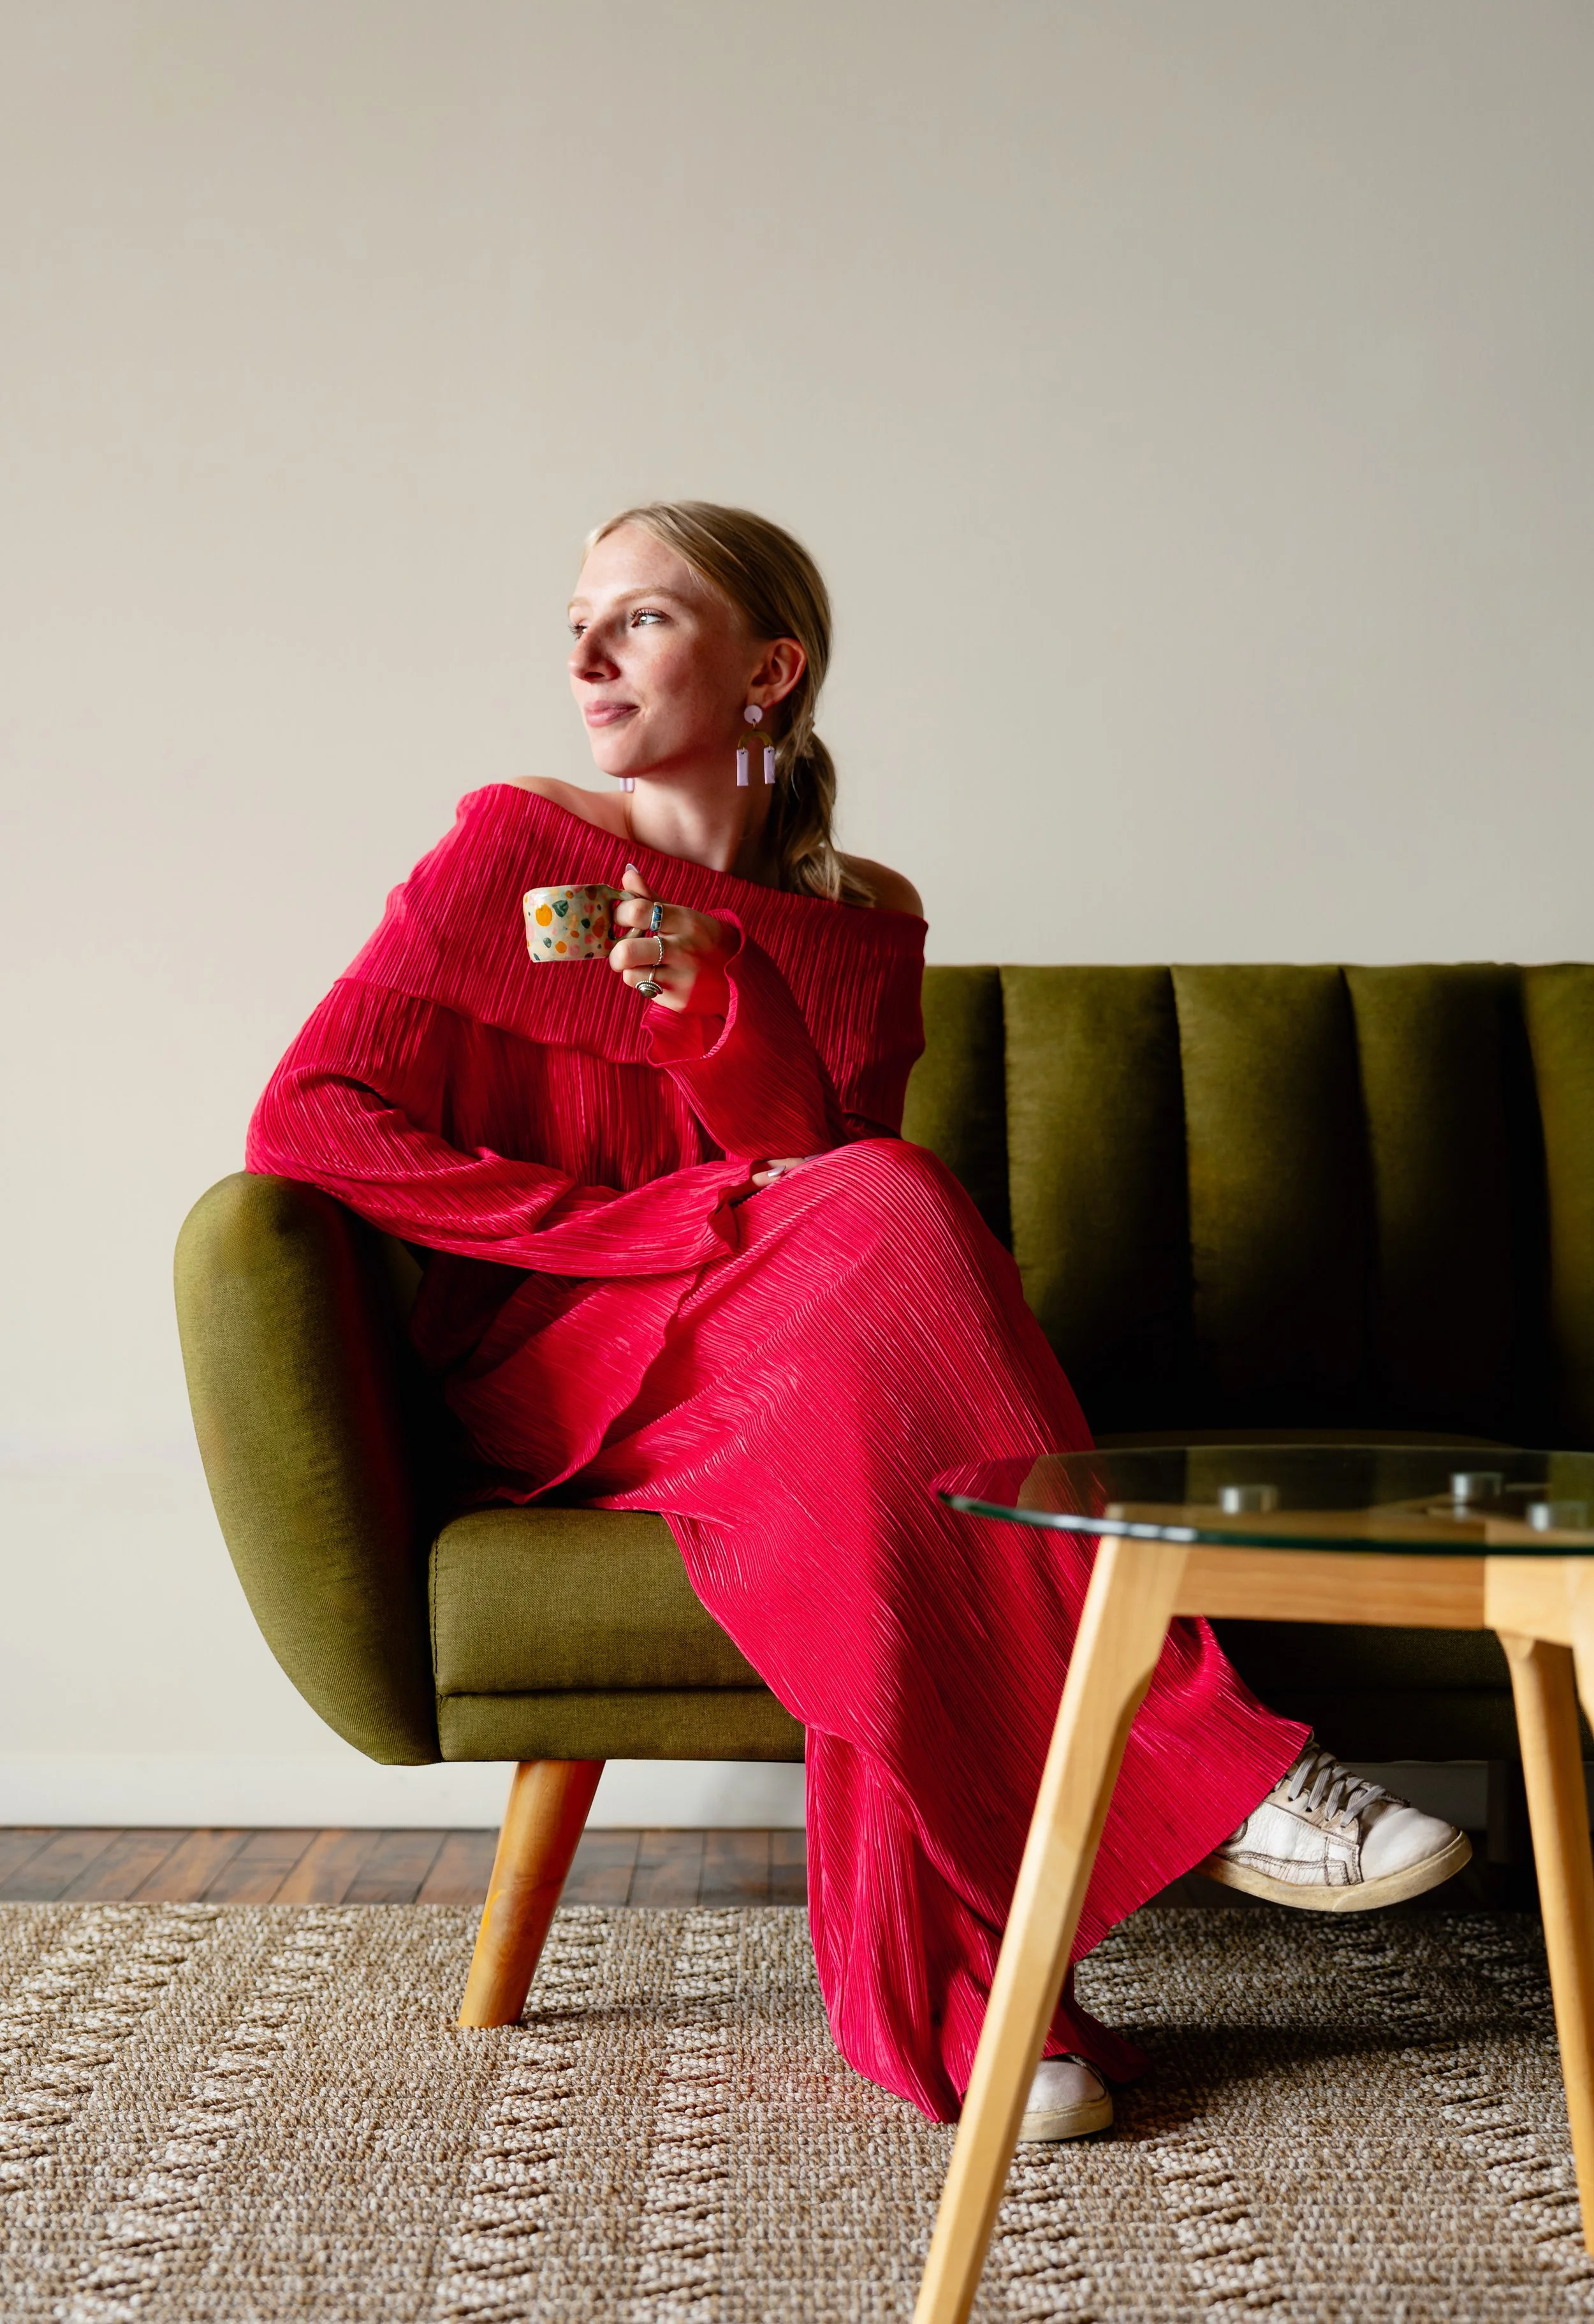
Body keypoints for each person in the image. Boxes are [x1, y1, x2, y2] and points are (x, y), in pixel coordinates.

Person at [247, 501, 1470, 2141]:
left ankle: (972, 2007)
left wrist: (725, 1016)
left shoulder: (862, 917)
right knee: (888, 1196)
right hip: (562, 1364)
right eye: (578, 618)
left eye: (643, 619)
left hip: (767, 1358)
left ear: (769, 670)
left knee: (872, 1379)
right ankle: (1219, 1770)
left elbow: (807, 1199)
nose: (585, 654)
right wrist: (627, 1232)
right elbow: (308, 1122)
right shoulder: (511, 846)